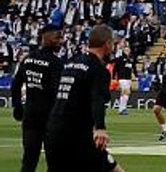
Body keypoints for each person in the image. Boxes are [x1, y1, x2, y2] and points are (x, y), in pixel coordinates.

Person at [43, 24, 125, 172]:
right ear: (107, 44)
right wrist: (100, 128)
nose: (113, 47)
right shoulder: (98, 69)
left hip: (53, 132)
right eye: (112, 43)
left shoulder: (71, 64)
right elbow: (97, 99)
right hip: (77, 135)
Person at [12, 23, 64, 172]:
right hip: (50, 119)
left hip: (30, 116)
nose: (60, 41)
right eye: (57, 38)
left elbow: (15, 85)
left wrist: (18, 107)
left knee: (29, 160)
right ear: (45, 37)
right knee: (55, 162)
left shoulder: (28, 59)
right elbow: (58, 94)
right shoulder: (55, 63)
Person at [113, 49, 133, 115]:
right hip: (122, 78)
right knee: (125, 92)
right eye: (126, 50)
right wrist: (113, 77)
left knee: (127, 93)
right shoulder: (120, 59)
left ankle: (122, 108)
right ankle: (122, 108)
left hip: (128, 78)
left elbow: (131, 69)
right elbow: (115, 68)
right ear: (123, 51)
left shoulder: (130, 59)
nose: (127, 51)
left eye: (128, 50)